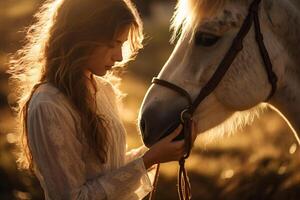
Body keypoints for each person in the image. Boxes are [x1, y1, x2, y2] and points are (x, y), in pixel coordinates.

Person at [8, 0, 189, 199]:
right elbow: (73, 197)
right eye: (113, 44)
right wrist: (147, 160)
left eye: (121, 45)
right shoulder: (48, 105)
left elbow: (111, 169)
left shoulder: (103, 90)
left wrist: (158, 150)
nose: (119, 57)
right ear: (82, 38)